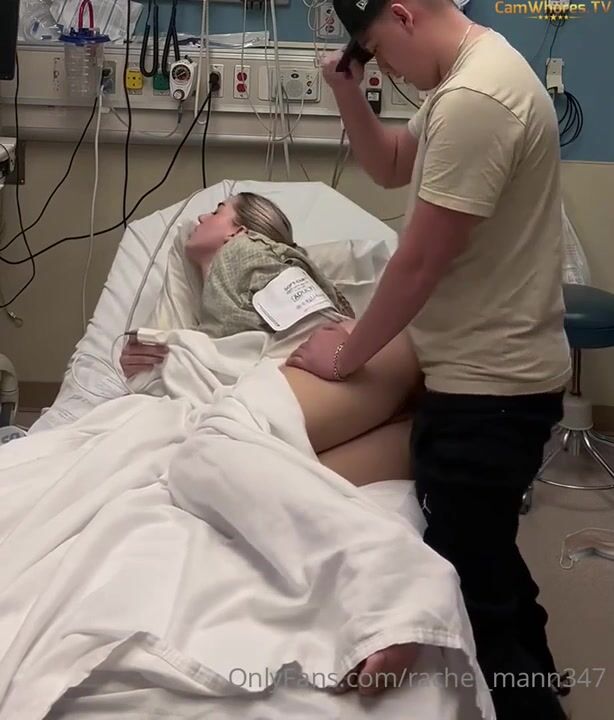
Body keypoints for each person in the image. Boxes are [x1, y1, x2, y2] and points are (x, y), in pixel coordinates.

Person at [286, 1, 571, 718]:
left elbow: (416, 266)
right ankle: (542, 676)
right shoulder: (468, 76)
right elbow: (389, 165)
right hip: (486, 377)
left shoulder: (477, 97)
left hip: (490, 390)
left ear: (404, 15)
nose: (384, 67)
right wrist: (347, 90)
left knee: (472, 590)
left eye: (378, 50)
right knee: (492, 561)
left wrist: (345, 356)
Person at [120, 190, 425, 694]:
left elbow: (302, 331)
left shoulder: (247, 254)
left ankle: (386, 584)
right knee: (298, 483)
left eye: (218, 211)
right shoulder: (240, 275)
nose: (201, 216)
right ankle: (392, 603)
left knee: (204, 456)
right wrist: (162, 354)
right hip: (381, 380)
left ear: (240, 229)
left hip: (350, 368)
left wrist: (177, 353)